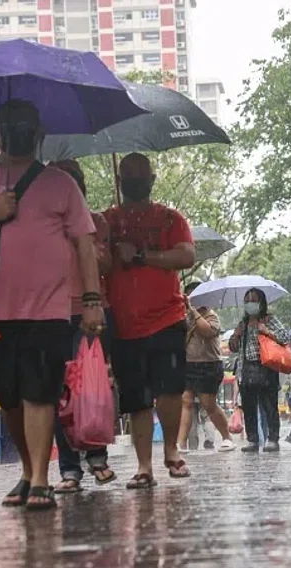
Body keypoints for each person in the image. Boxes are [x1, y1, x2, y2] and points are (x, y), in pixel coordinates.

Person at [0, 100, 104, 510]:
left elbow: (85, 244)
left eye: (26, 126)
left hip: (48, 309)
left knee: (41, 392)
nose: (19, 132)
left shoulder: (60, 184)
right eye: (11, 125)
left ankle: (40, 478)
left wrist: (92, 301)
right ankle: (27, 470)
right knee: (11, 399)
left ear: (39, 134)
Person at [104, 153, 196, 488]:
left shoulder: (171, 219)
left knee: (169, 391)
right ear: (119, 181)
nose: (134, 180)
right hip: (125, 325)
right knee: (136, 397)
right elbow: (94, 262)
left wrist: (142, 255)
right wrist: (112, 251)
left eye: (140, 175)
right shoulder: (108, 222)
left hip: (167, 317)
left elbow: (186, 255)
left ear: (152, 180)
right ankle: (144, 466)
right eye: (128, 175)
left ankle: (171, 450)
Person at [50, 159, 117, 494]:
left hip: (89, 312)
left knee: (91, 387)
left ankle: (97, 456)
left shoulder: (97, 221)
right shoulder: (44, 222)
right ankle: (69, 468)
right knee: (59, 392)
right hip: (51, 312)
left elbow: (106, 263)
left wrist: (90, 245)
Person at [228, 288, 290, 453]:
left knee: (269, 405)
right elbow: (233, 348)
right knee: (248, 407)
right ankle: (253, 440)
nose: (250, 304)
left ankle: (272, 439)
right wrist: (236, 335)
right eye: (247, 301)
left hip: (267, 368)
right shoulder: (243, 323)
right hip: (246, 370)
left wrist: (266, 331)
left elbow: (285, 338)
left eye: (253, 300)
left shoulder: (269, 320)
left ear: (261, 303)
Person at [179, 281, 236, 452]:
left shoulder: (212, 316)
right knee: (186, 401)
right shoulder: (184, 316)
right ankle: (181, 443)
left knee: (208, 403)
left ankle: (227, 437)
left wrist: (193, 311)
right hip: (188, 364)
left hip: (209, 365)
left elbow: (208, 331)